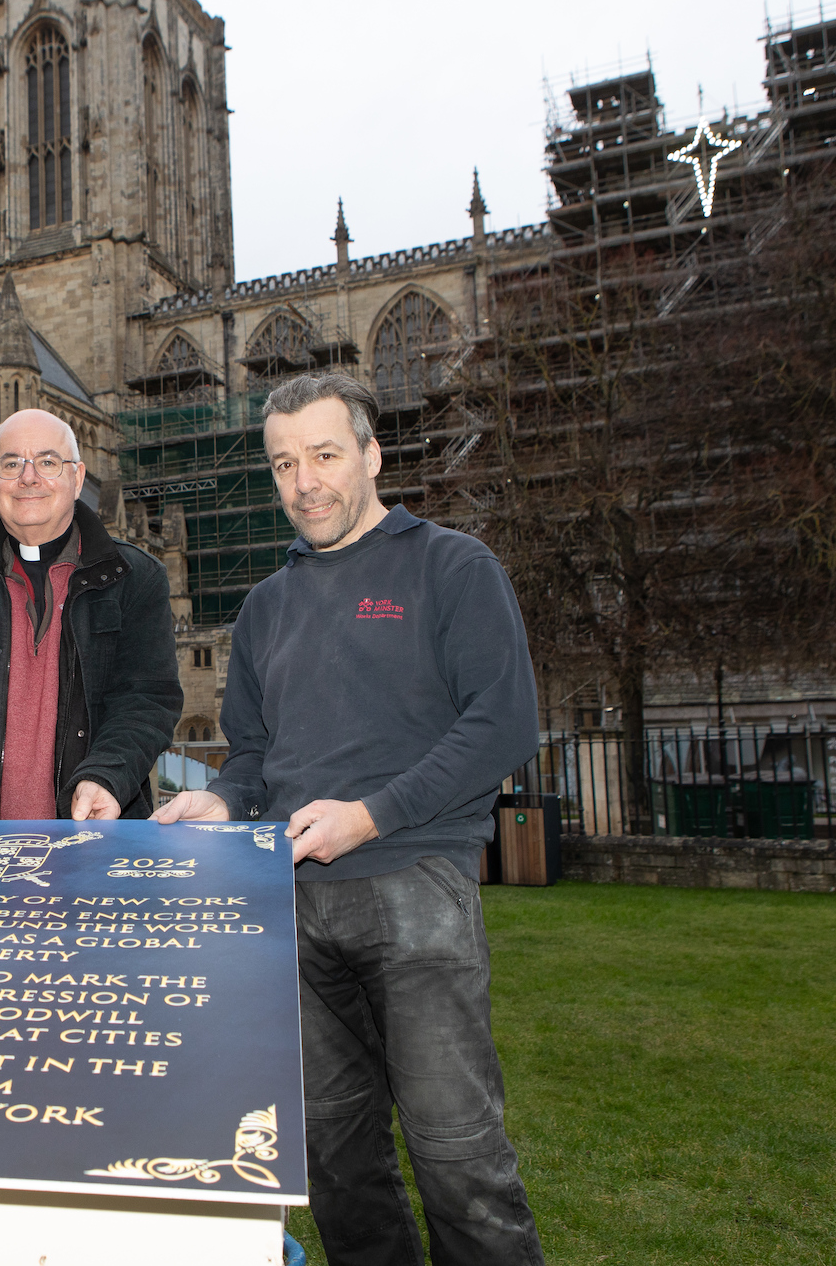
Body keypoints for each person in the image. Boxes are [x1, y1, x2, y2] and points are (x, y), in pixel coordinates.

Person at [153, 372, 544, 1265]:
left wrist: (373, 814)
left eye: (325, 455)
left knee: (458, 1157)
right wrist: (224, 800)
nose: (305, 482)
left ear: (371, 455)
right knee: (334, 1159)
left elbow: (503, 721)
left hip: (415, 888)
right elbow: (251, 758)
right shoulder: (264, 608)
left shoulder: (451, 566)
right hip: (290, 907)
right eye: (285, 463)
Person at [0, 408, 181, 822]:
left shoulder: (136, 577)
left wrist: (106, 776)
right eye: (11, 464)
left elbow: (146, 701)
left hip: (94, 840)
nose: (28, 478)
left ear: (78, 478)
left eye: (48, 462)